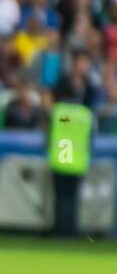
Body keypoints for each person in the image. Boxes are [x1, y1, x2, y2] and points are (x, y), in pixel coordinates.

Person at [47, 96, 92, 237]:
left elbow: (49, 133)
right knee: (73, 200)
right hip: (77, 163)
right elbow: (91, 139)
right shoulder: (85, 115)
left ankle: (60, 229)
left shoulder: (59, 112)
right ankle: (72, 230)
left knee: (60, 199)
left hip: (60, 161)